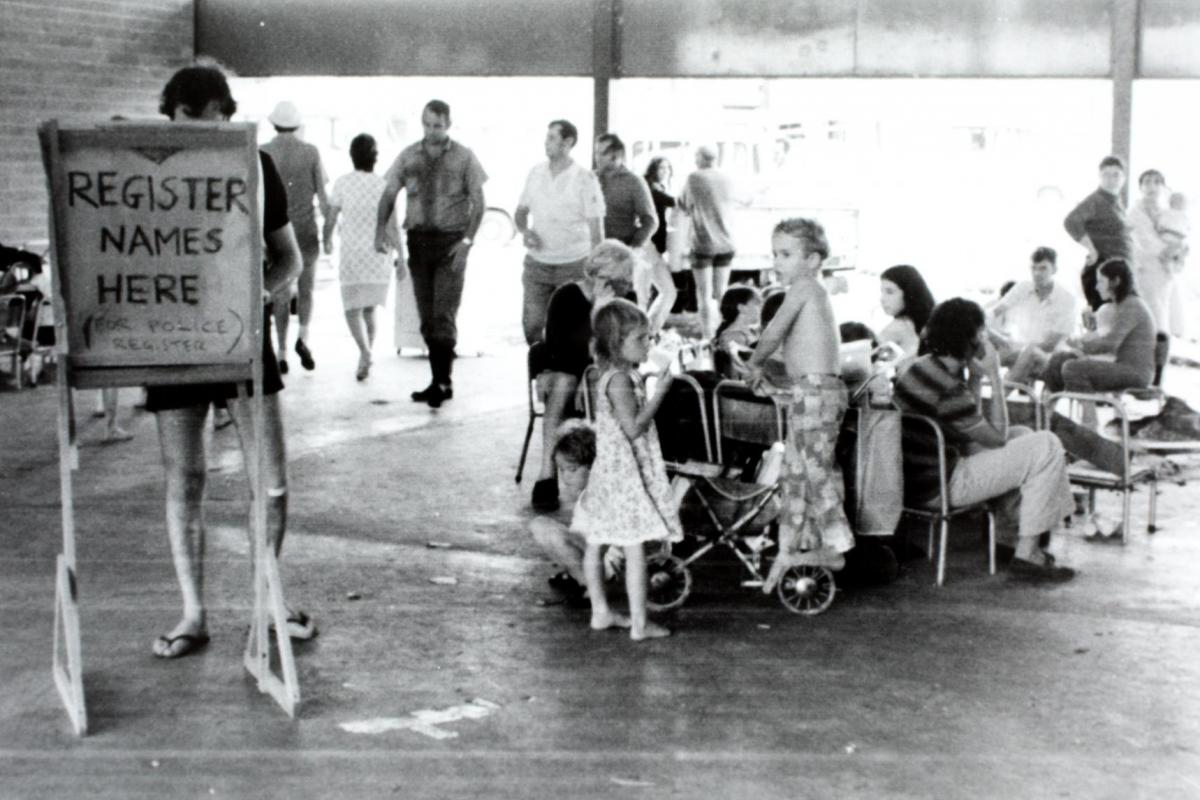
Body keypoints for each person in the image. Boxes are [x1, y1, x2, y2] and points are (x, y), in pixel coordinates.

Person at [147, 65, 311, 659]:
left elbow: (289, 259)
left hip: (241, 338)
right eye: (185, 128)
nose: (196, 139)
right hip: (169, 342)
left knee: (271, 480)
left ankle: (269, 598)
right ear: (170, 119)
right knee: (184, 477)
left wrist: (254, 296)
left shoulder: (257, 166)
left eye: (210, 128)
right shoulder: (140, 170)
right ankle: (193, 612)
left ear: (226, 116)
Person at [892, 298, 1076, 582]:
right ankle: (1028, 555)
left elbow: (970, 425)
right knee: (1047, 444)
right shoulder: (948, 386)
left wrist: (976, 380)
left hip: (917, 482)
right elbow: (996, 438)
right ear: (972, 337)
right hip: (941, 486)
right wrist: (994, 376)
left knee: (1024, 435)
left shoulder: (923, 368)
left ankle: (1008, 538)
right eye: (982, 331)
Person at [743, 218, 854, 587]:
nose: (778, 261)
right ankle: (794, 543)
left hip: (817, 393)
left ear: (814, 260)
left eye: (787, 254)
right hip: (810, 390)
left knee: (814, 470)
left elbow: (774, 331)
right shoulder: (808, 291)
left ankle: (835, 545)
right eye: (775, 253)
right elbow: (798, 353)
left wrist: (756, 362)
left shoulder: (806, 288)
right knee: (795, 471)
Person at [570, 298, 681, 641]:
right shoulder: (620, 380)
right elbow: (633, 428)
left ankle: (601, 612)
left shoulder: (613, 375)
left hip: (609, 474)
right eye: (640, 339)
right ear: (616, 344)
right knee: (634, 549)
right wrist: (658, 394)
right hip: (624, 477)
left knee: (597, 543)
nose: (649, 344)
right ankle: (639, 624)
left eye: (649, 337)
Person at [375, 99, 487, 408]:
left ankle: (442, 380)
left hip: (450, 245)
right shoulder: (409, 156)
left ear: (448, 125)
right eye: (427, 124)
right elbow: (387, 195)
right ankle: (438, 379)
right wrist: (379, 231)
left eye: (437, 125)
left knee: (442, 314)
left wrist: (467, 243)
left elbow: (479, 202)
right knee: (426, 319)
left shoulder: (465, 158)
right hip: (418, 244)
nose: (431, 131)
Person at [530, 240, 635, 512]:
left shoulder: (624, 300)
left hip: (600, 371)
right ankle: (546, 473)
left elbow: (617, 349)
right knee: (565, 380)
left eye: (627, 278)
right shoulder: (566, 296)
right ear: (599, 275)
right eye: (621, 277)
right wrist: (595, 312)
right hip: (565, 368)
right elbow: (560, 349)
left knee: (600, 381)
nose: (627, 284)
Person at [515, 119, 605, 346]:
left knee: (572, 329)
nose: (546, 143)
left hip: (574, 265)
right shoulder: (535, 172)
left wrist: (596, 270)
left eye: (552, 138)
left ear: (568, 142)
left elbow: (597, 230)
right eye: (546, 138)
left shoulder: (585, 179)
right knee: (532, 325)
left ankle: (565, 376)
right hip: (538, 265)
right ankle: (542, 374)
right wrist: (525, 231)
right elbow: (520, 212)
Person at [261, 100, 329, 374]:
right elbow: (323, 196)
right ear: (298, 124)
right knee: (306, 289)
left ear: (273, 123)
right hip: (306, 229)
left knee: (279, 291)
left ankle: (281, 352)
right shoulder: (311, 152)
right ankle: (303, 337)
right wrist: (328, 230)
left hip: (275, 233)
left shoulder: (263, 151)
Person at [324, 133, 397, 381]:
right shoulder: (383, 184)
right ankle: (367, 353)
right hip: (378, 255)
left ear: (351, 156)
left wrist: (326, 240)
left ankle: (364, 351)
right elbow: (392, 223)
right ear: (375, 158)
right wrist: (400, 254)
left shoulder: (343, 183)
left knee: (351, 308)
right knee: (369, 308)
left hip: (353, 254)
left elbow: (331, 217)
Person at [594, 133, 675, 334]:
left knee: (665, 292)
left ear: (617, 155)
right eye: (596, 152)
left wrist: (633, 249)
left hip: (634, 248)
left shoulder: (633, 181)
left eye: (602, 153)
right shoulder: (591, 180)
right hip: (603, 253)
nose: (597, 157)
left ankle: (649, 334)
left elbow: (650, 220)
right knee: (615, 304)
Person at [1043, 258, 1155, 396]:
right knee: (1059, 360)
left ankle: (1089, 417)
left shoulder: (1131, 305)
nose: (1097, 287)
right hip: (1125, 367)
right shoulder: (1122, 305)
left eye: (1101, 281)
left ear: (1116, 281)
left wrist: (1081, 346)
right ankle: (1047, 410)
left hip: (1135, 372)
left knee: (1073, 369)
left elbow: (1110, 344)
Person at [527, 419, 596, 604]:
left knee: (555, 535)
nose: (565, 477)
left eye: (572, 470)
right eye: (562, 470)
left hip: (599, 562)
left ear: (592, 467)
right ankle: (574, 575)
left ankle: (590, 587)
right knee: (539, 525)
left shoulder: (599, 495)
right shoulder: (584, 494)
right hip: (586, 553)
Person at [987, 247, 1078, 385]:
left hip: (1051, 360)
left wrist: (1016, 349)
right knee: (985, 351)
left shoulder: (1067, 298)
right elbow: (995, 311)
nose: (1037, 273)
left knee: (1029, 353)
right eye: (1033, 268)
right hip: (1022, 352)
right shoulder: (1023, 287)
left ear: (1054, 269)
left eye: (1043, 269)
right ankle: (971, 398)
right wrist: (985, 328)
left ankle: (999, 397)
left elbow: (1050, 345)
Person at [678, 146, 738, 337]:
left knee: (703, 294)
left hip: (703, 243)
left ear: (701, 158)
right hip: (726, 242)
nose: (695, 161)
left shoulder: (694, 178)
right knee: (721, 293)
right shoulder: (728, 178)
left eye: (696, 157)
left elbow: (683, 205)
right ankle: (725, 333)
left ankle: (707, 337)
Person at [1128, 169, 1179, 385]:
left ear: (1163, 187)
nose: (1152, 186)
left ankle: (1158, 375)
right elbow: (1142, 240)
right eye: (1147, 182)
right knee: (1144, 321)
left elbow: (1181, 238)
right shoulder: (1134, 212)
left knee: (1162, 322)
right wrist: (1165, 250)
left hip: (1164, 274)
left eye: (1157, 182)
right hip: (1143, 272)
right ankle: (1140, 374)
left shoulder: (1169, 213)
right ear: (1140, 186)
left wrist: (1177, 253)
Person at [1064, 155, 1133, 311]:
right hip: (1104, 272)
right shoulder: (1095, 200)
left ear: (1124, 178)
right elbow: (1071, 221)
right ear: (1099, 177)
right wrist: (1091, 248)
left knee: (1120, 319)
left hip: (1120, 270)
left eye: (1116, 174)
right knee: (1105, 320)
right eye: (1106, 174)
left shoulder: (1116, 202)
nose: (1111, 179)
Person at [877, 264, 935, 362]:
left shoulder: (898, 326)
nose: (882, 299)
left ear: (909, 293)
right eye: (881, 292)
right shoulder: (931, 324)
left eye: (890, 292)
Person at [712, 283, 762, 379]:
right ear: (741, 308)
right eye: (757, 303)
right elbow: (739, 374)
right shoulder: (733, 336)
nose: (761, 308)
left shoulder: (749, 332)